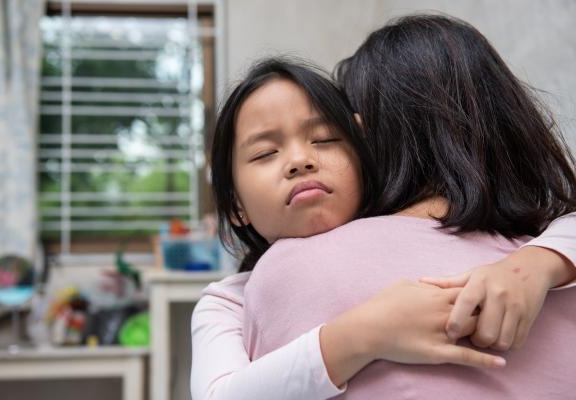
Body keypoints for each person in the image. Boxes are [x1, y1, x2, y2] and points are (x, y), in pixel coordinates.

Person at [191, 30, 576, 400]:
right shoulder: (230, 300)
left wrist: (537, 264)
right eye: (263, 154)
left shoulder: (534, 245)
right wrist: (362, 334)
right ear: (235, 204)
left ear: (364, 153)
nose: (299, 161)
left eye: (325, 139)